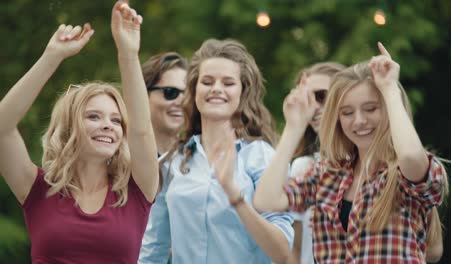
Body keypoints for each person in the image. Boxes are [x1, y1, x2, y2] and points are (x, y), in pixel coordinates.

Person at [254, 42, 448, 263]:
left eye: (371, 108)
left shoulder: (404, 174)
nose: (359, 121)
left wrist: (390, 89)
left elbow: (411, 157)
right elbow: (266, 200)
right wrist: (293, 128)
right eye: (347, 112)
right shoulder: (327, 174)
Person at [0, 2, 159, 263]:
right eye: (93, 116)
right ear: (70, 127)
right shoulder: (38, 189)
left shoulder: (137, 189)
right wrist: (52, 57)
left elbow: (141, 131)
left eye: (117, 120)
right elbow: (2, 129)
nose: (108, 125)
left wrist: (128, 54)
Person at [148, 39, 294, 263]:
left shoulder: (261, 157)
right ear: (194, 90)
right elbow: (153, 250)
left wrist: (237, 199)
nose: (216, 89)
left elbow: (283, 252)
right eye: (207, 81)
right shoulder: (170, 163)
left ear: (242, 92)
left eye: (228, 83)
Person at [286, 62, 345, 264]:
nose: (314, 107)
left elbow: (431, 248)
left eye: (321, 96)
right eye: (307, 99)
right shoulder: (303, 166)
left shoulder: (374, 164)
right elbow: (296, 247)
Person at [139, 52, 188, 262]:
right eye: (170, 92)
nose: (180, 102)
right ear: (143, 94)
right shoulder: (115, 159)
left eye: (187, 95)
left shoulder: (204, 162)